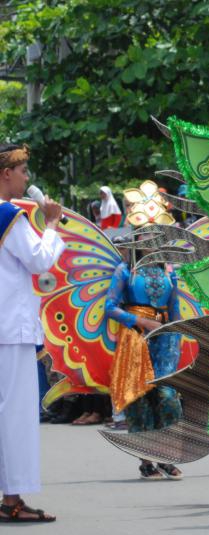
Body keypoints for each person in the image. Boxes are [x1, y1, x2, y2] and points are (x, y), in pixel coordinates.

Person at [104, 181, 184, 481]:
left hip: (164, 340)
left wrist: (176, 334)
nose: (151, 239)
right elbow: (110, 307)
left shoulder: (169, 272)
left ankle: (165, 456)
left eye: (156, 234)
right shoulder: (125, 271)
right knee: (139, 397)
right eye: (146, 234)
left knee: (167, 397)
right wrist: (140, 322)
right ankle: (146, 460)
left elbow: (175, 311)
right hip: (135, 338)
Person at [0, 144, 63, 523]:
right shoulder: (7, 213)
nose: (27, 178)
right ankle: (11, 499)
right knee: (15, 416)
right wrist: (52, 224)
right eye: (23, 171)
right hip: (9, 329)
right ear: (6, 173)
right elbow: (39, 260)